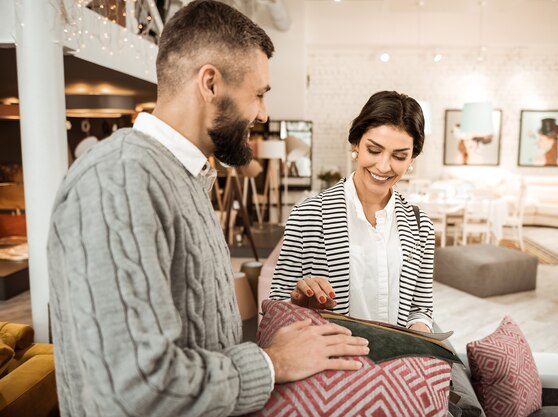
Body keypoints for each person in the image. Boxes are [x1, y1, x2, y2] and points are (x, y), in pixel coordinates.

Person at [47, 2, 369, 416]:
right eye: (258, 94)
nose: (263, 113)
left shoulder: (181, 177)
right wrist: (273, 362)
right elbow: (137, 390)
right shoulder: (119, 179)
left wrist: (287, 321)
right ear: (211, 84)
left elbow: (198, 331)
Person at [270, 91, 435, 333]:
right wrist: (299, 300)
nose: (383, 166)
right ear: (356, 143)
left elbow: (420, 308)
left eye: (399, 156)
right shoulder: (308, 215)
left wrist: (420, 334)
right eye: (374, 150)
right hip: (332, 361)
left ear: (412, 158)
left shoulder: (421, 227)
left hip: (395, 365)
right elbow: (277, 305)